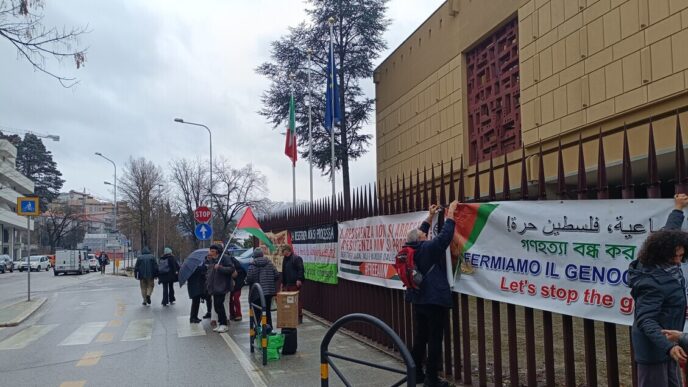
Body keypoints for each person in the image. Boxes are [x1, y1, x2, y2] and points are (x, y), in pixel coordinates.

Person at [405, 201, 458, 387]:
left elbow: (418, 232)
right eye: (423, 234)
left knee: (421, 337)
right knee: (435, 339)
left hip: (418, 300)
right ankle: (432, 379)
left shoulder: (410, 248)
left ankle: (416, 373)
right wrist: (451, 213)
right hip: (434, 301)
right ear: (420, 239)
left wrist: (430, 216)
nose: (425, 234)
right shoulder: (427, 249)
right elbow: (445, 237)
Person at [629, 226, 688, 387]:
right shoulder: (652, 281)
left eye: (681, 256)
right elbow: (646, 319)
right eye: (673, 257)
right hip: (654, 350)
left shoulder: (668, 269)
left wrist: (678, 210)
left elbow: (669, 229)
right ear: (661, 254)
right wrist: (668, 346)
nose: (677, 261)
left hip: (670, 347)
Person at [247, 248, 280, 330]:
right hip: (268, 292)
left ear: (254, 256)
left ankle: (257, 329)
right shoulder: (269, 264)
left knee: (257, 311)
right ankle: (269, 329)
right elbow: (276, 275)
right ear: (262, 255)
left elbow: (249, 279)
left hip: (256, 293)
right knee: (267, 311)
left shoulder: (252, 265)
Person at [205, 244, 235, 333]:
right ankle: (221, 322)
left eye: (213, 251)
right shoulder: (213, 260)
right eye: (210, 251)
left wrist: (220, 267)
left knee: (219, 305)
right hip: (214, 286)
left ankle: (224, 324)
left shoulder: (224, 258)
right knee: (216, 306)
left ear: (217, 251)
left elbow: (231, 269)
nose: (211, 253)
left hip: (222, 286)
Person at [280, 244, 305, 323]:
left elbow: (301, 269)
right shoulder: (285, 259)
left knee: (296, 301)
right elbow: (283, 271)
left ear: (287, 251)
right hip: (287, 284)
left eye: (283, 251)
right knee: (288, 301)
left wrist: (299, 279)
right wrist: (283, 283)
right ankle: (291, 317)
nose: (282, 253)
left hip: (294, 283)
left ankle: (299, 317)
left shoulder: (296, 258)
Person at [187, 258, 211, 324]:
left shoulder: (191, 267)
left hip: (195, 287)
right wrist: (205, 267)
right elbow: (201, 272)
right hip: (195, 288)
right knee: (195, 303)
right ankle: (193, 318)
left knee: (196, 303)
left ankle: (195, 317)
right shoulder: (194, 268)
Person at [229, 254, 247, 322]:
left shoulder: (238, 267)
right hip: (233, 285)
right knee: (231, 300)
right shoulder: (234, 263)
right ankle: (232, 314)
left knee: (235, 299)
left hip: (237, 285)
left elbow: (242, 275)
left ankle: (238, 314)